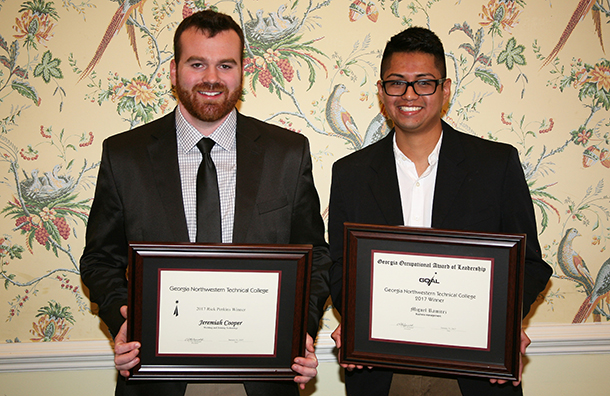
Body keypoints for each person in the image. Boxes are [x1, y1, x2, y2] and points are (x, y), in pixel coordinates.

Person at [80, 10, 331, 396]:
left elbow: (316, 257)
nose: (211, 78)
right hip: (158, 373)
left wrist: (301, 328)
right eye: (197, 63)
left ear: (242, 70)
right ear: (174, 70)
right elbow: (99, 258)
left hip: (262, 375)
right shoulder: (124, 155)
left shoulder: (288, 153)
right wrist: (122, 319)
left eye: (225, 65)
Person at [328, 27, 552, 396]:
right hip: (382, 370)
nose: (409, 94)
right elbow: (339, 265)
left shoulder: (496, 164)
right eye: (396, 83)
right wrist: (356, 317)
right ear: (382, 92)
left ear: (445, 90)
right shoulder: (350, 173)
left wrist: (504, 323)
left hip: (474, 371)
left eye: (424, 83)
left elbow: (529, 264)